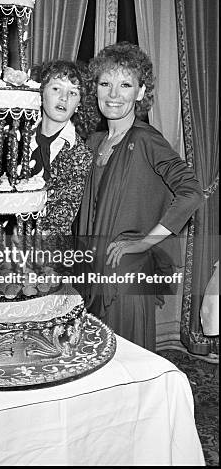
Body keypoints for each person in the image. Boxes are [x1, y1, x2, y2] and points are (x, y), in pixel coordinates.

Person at [77, 42, 203, 351]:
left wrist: (144, 242)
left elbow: (192, 192)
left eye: (125, 84)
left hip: (126, 279)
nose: (114, 94)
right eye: (105, 84)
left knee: (125, 367)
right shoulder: (95, 143)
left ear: (141, 91)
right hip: (93, 275)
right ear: (95, 89)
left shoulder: (146, 140)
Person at [30, 60, 97, 239]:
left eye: (73, 93)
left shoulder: (80, 156)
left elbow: (60, 220)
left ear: (80, 104)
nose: (64, 98)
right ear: (41, 92)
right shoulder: (16, 138)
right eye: (56, 89)